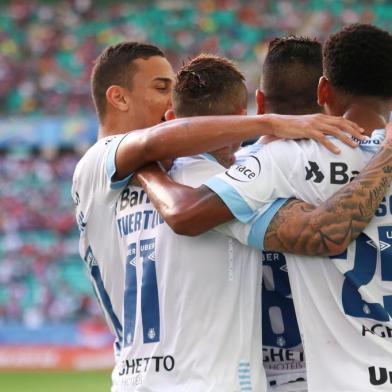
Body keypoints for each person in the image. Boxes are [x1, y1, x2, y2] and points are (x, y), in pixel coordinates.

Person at [71, 41, 363, 390]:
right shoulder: (111, 163)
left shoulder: (140, 177)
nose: (168, 99)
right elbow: (159, 160)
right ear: (118, 97)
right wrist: (271, 124)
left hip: (134, 378)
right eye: (162, 87)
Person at [135, 24, 392, 391]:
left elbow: (186, 214)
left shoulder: (269, 162)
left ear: (325, 92)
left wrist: (143, 164)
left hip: (280, 373)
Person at [258, 36, 323, 392]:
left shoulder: (225, 176)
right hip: (340, 368)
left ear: (259, 102)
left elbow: (184, 217)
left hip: (253, 373)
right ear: (329, 95)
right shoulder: (369, 167)